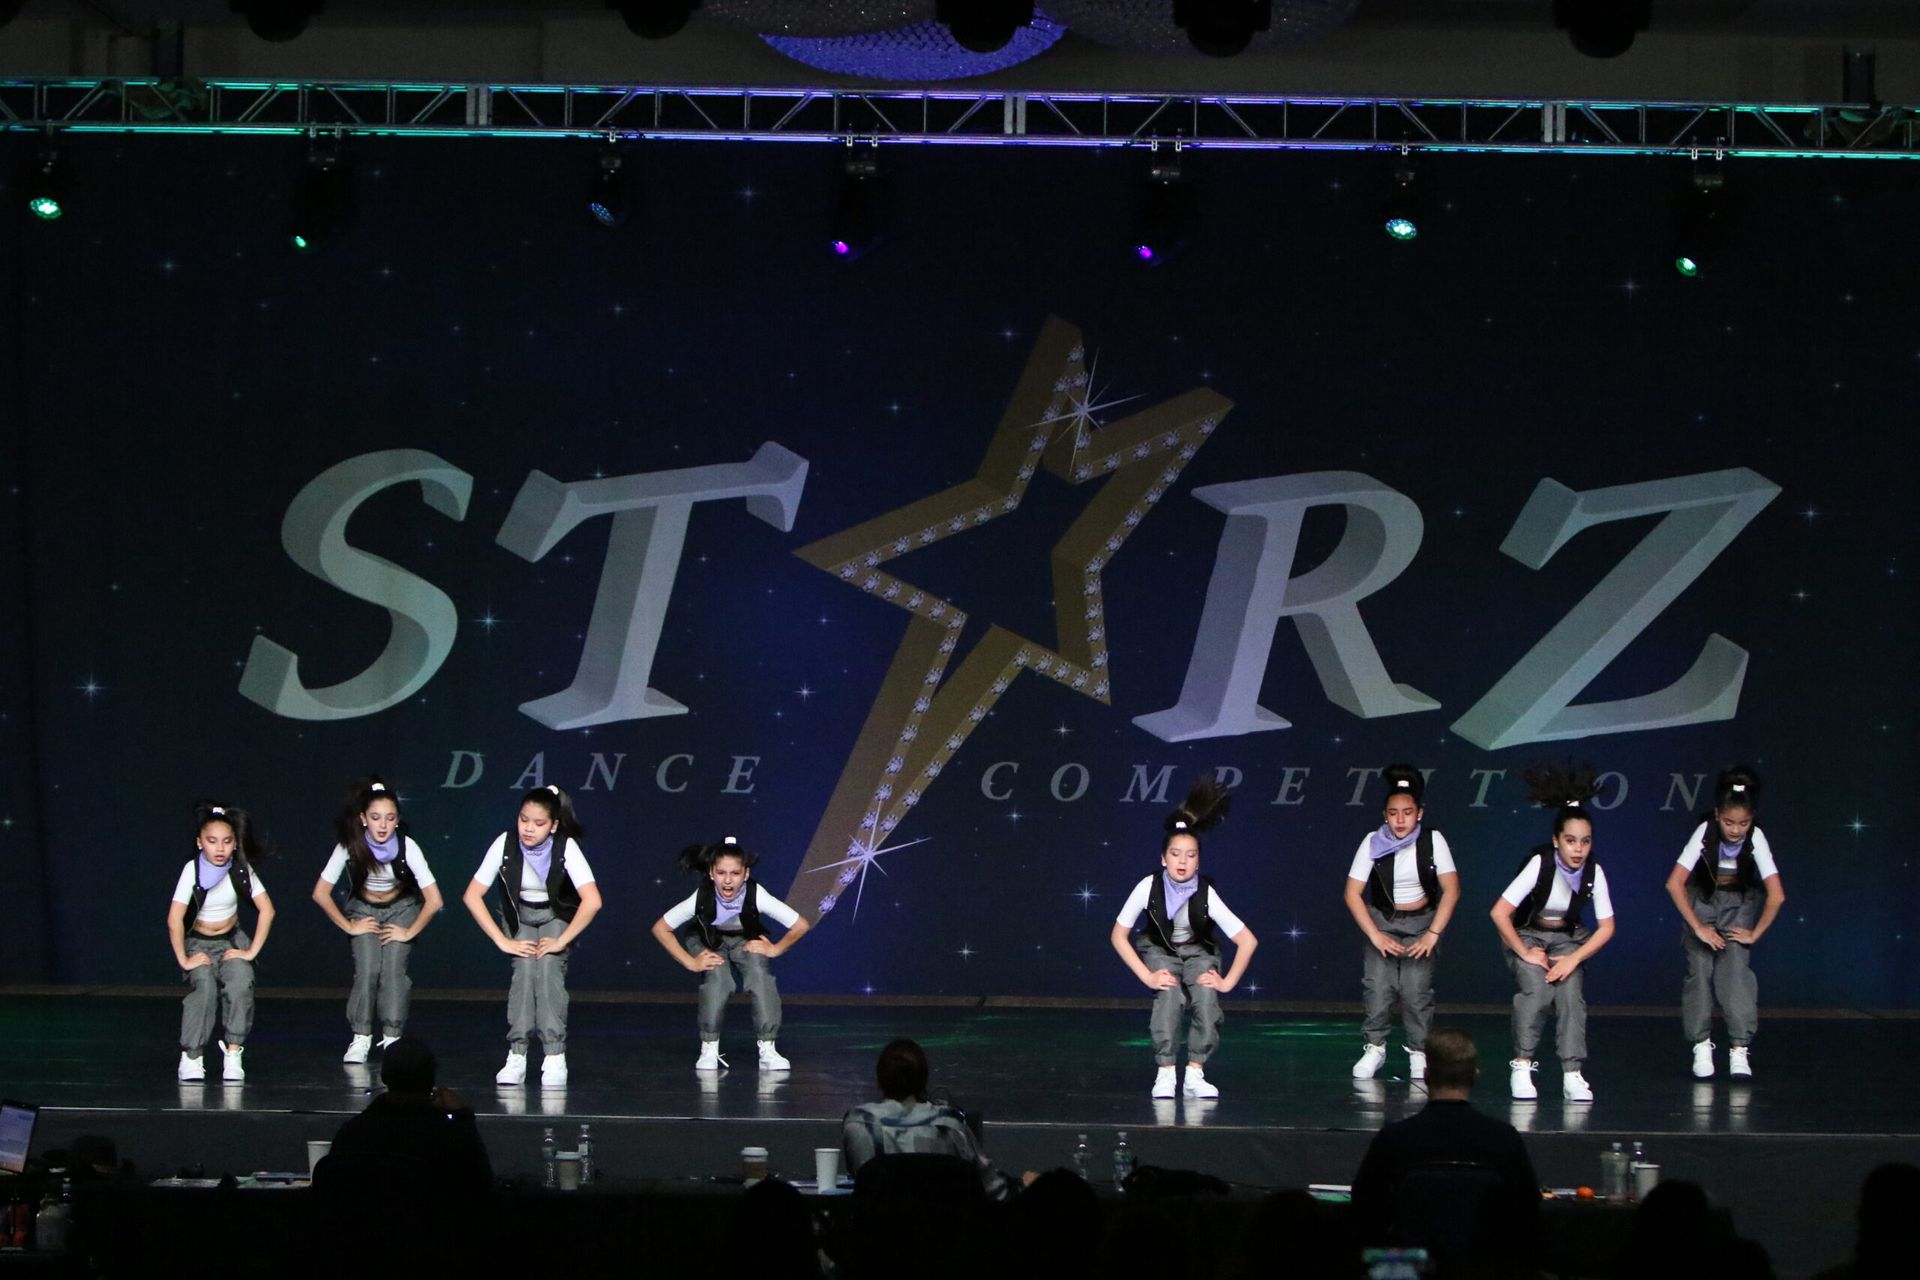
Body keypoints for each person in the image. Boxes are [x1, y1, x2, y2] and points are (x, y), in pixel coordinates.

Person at [1110, 778, 1259, 1100]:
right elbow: (1118, 934)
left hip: (1198, 952)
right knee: (1170, 995)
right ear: (1163, 858)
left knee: (1206, 996)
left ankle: (1194, 1072)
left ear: (1198, 861)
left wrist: (1228, 981)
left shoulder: (1207, 893)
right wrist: (1146, 975)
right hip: (1160, 950)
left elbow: (1247, 940)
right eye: (1175, 854)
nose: (1182, 861)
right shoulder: (1147, 887)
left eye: (1190, 855)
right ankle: (1165, 1072)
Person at [1350, 1028, 1540, 1276]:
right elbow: (1527, 1208)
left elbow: (1366, 1206)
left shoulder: (1395, 1139)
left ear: (1426, 1075)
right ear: (1474, 1076)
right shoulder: (1504, 1140)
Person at [460, 784, 602, 1088]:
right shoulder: (505, 843)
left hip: (555, 915)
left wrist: (563, 940)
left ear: (553, 825)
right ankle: (517, 1055)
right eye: (524, 820)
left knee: (548, 966)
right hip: (519, 916)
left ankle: (554, 1056)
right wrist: (502, 939)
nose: (528, 828)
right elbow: (472, 895)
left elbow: (592, 900)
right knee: (524, 971)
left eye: (538, 823)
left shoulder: (565, 847)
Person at [1490, 766, 1616, 1102]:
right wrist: (1524, 952)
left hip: (1568, 940)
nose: (1578, 849)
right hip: (1529, 935)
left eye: (1585, 841)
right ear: (1556, 840)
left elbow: (1607, 927)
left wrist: (1573, 958)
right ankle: (1522, 1064)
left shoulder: (1594, 872)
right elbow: (1499, 912)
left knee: (1571, 994)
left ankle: (1572, 1073)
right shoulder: (1540, 864)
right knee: (1538, 990)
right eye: (1571, 841)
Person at [309, 776, 443, 1064]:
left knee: (394, 971)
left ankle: (392, 1038)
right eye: (375, 817)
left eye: (389, 818)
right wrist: (348, 925)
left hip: (401, 909)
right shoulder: (350, 846)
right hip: (363, 910)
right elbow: (320, 893)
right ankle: (361, 1036)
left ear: (397, 820)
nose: (382, 825)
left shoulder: (408, 848)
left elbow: (435, 900)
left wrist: (409, 932)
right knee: (368, 969)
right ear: (363, 819)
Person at [648, 835, 810, 1071]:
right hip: (708, 939)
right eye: (722, 873)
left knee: (759, 975)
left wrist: (775, 949)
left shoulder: (757, 894)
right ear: (711, 873)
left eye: (735, 873)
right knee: (718, 979)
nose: (727, 881)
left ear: (745, 874)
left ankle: (768, 1048)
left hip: (745, 938)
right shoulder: (701, 897)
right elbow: (661, 928)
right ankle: (709, 1047)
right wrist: (690, 962)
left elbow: (800, 925)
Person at [1665, 766, 1786, 1079]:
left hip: (1739, 904)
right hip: (1702, 902)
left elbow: (1776, 894)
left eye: (1743, 823)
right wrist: (1697, 927)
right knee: (1700, 971)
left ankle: (1738, 1048)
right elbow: (1675, 883)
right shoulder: (1705, 831)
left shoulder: (1755, 837)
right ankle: (1702, 1044)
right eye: (1730, 822)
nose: (1736, 830)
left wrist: (1755, 933)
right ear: (1718, 815)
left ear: (1751, 819)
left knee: (1735, 972)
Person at [1345, 764, 1461, 1082]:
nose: (1400, 820)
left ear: (1419, 814)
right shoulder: (1372, 842)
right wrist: (1375, 935)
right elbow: (1352, 893)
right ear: (1385, 815)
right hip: (1382, 923)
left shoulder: (1433, 841)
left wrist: (1433, 934)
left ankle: (1418, 1053)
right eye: (1393, 813)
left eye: (1407, 812)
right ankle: (1375, 1047)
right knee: (1379, 990)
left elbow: (1452, 889)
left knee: (1415, 992)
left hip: (1422, 924)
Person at [167, 801, 275, 1082]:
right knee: (203, 988)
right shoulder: (192, 870)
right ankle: (192, 1056)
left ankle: (233, 1052)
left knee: (240, 982)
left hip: (230, 941)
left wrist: (250, 952)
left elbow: (267, 909)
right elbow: (174, 918)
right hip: (198, 943)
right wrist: (183, 958)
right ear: (200, 842)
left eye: (226, 842)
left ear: (235, 844)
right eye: (212, 841)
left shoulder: (240, 870)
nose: (219, 848)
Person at [840, 1037, 1023, 1201]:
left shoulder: (858, 1123)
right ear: (924, 1079)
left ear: (878, 1078)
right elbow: (993, 1188)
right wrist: (1023, 1184)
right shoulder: (950, 1125)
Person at [322, 1036, 491, 1194]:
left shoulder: (353, 1133)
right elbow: (481, 1186)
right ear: (432, 1079)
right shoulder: (449, 1138)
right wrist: (463, 1116)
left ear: (384, 1077)